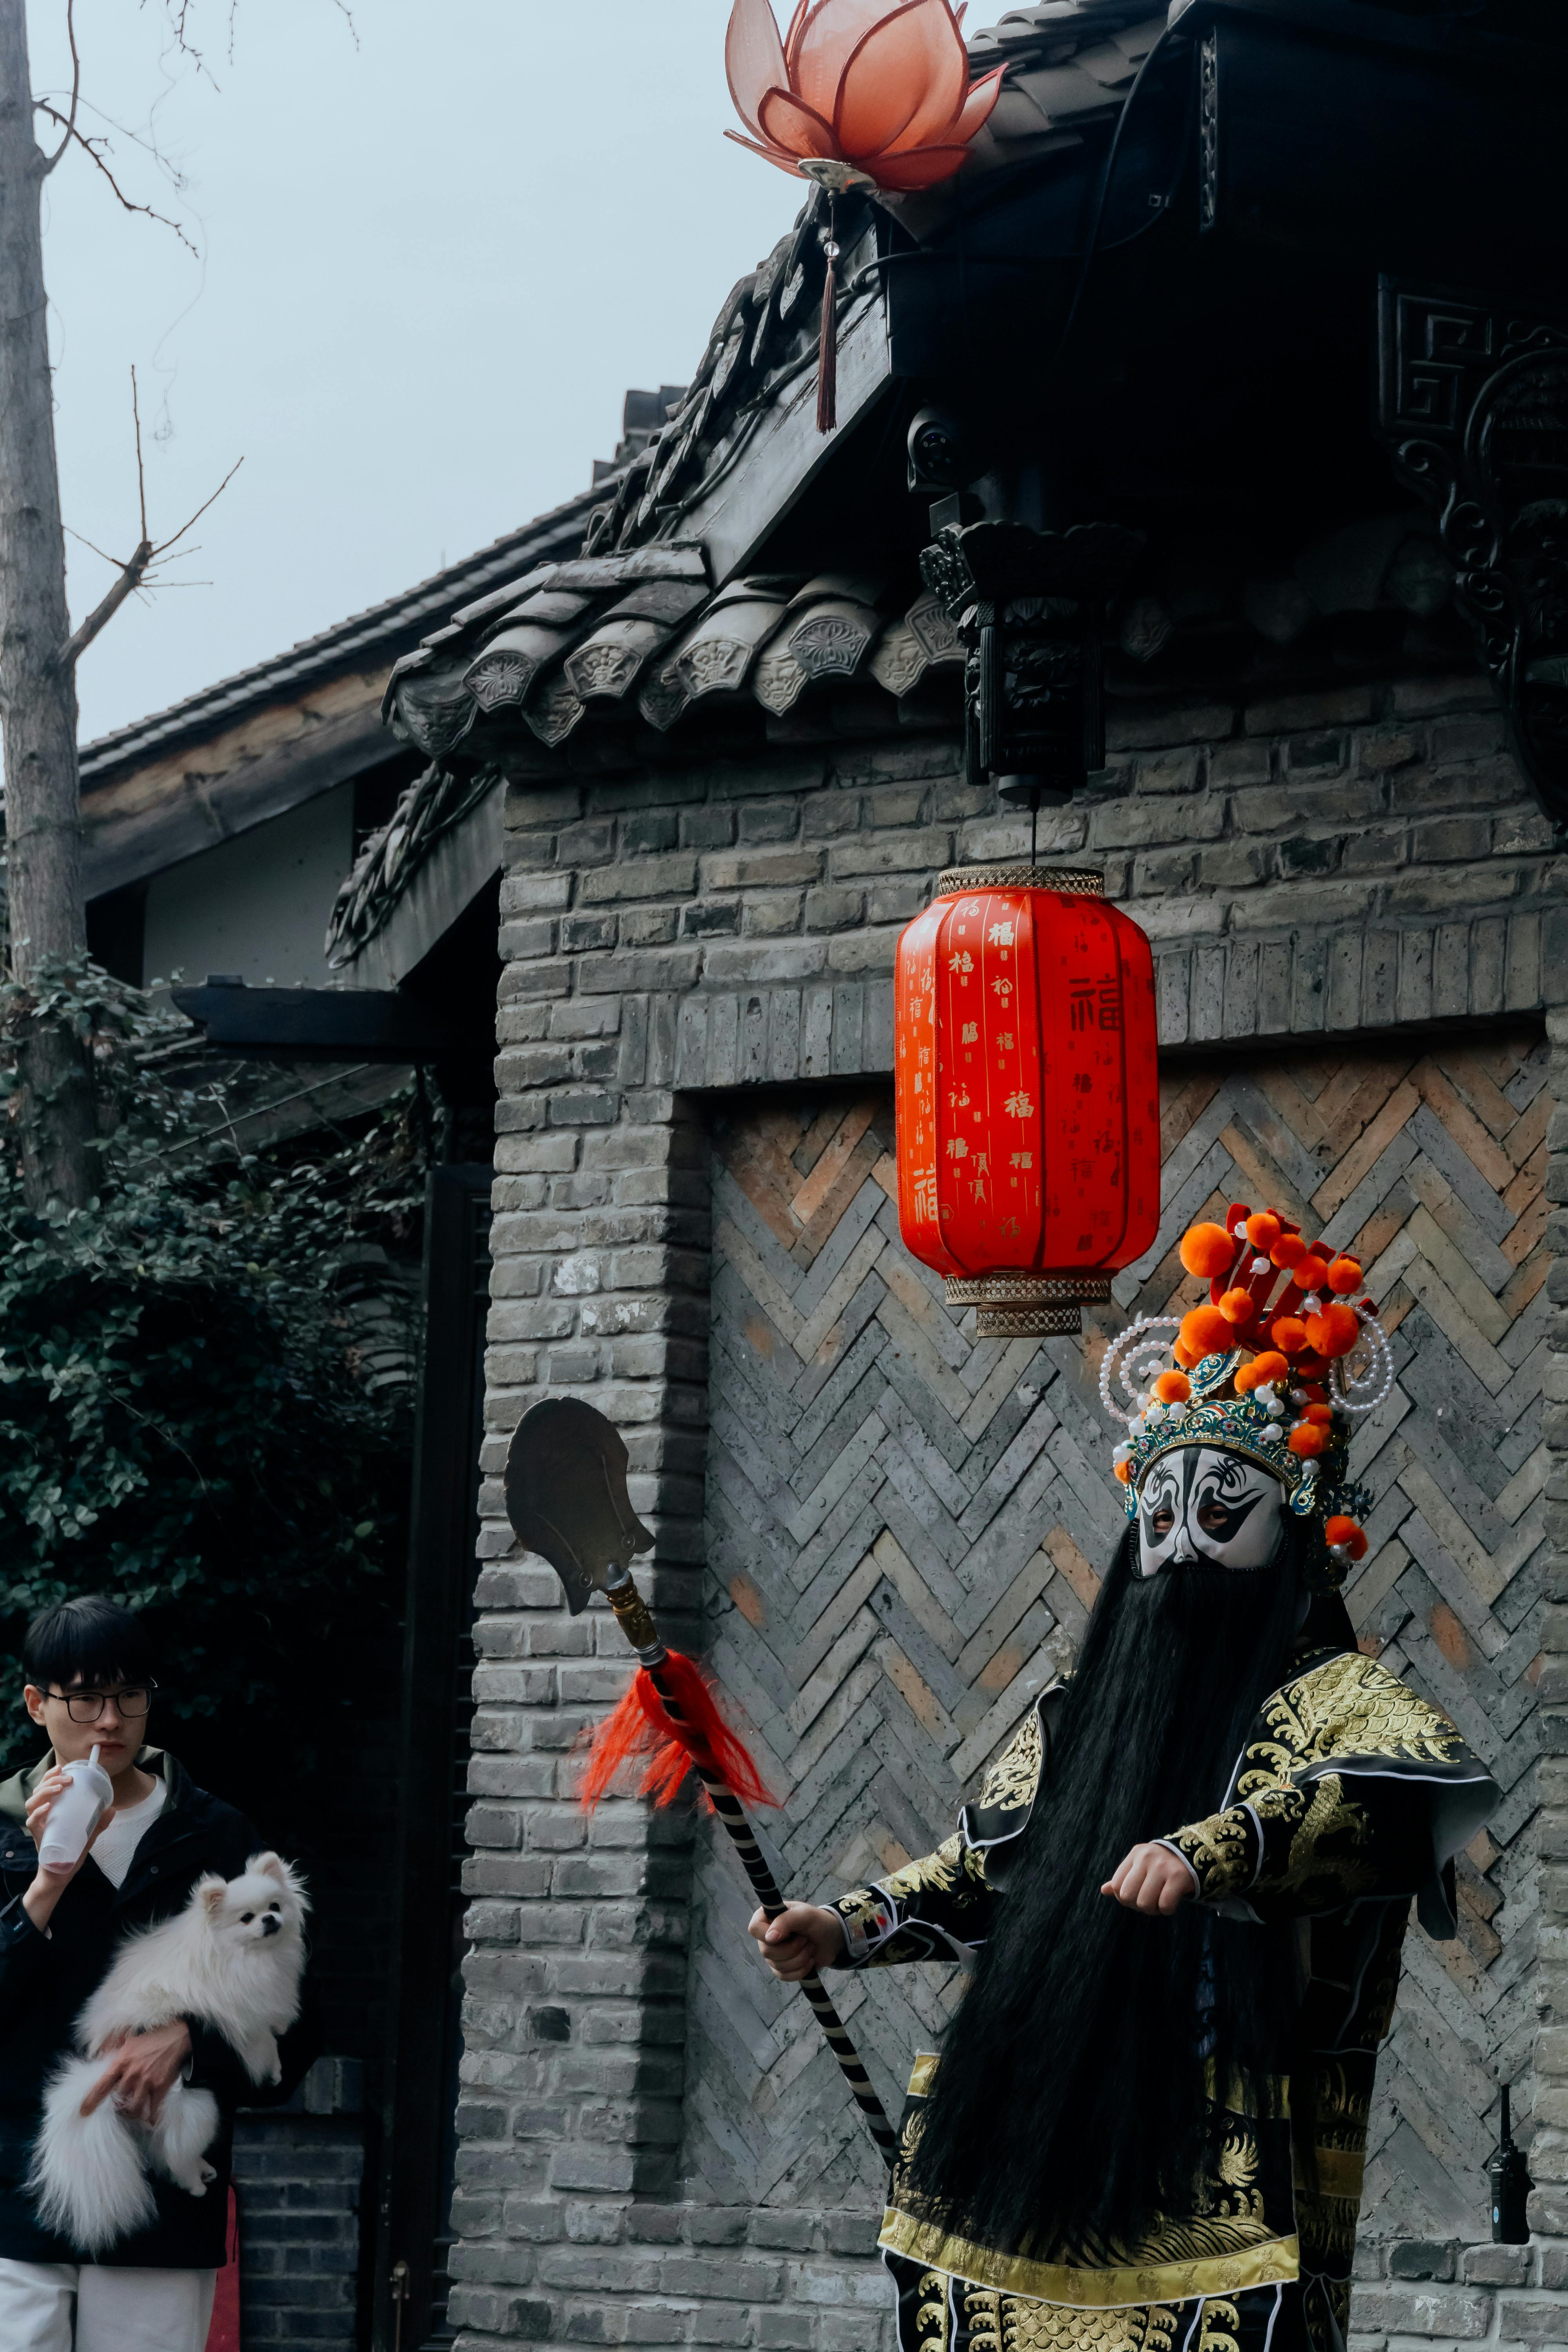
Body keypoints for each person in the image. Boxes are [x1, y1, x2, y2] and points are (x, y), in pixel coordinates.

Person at [747, 1206, 1499, 2352]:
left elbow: (1380, 1805)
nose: (1182, 1543)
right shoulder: (1077, 1716)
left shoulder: (1336, 1699)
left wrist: (1214, 1850)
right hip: (1035, 2129)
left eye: (1218, 1510)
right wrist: (847, 1927)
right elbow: (983, 1867)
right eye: (1158, 1515)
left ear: (1291, 1525)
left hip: (1234, 2152)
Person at [0, 1593, 320, 2352]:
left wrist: (191, 2040)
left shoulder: (214, 1834)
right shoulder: (3, 1834)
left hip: (161, 2204)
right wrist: (44, 1883)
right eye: (84, 1697)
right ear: (36, 1704)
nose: (109, 1720)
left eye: (129, 1695)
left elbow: (299, 2025)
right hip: (15, 2197)